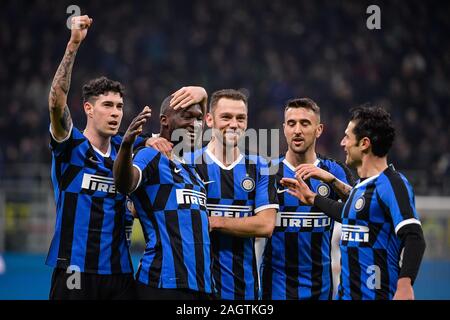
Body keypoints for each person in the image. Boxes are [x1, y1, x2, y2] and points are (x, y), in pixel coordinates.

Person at [46, 15, 150, 300]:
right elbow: (56, 101)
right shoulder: (71, 145)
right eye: (107, 105)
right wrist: (73, 45)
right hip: (75, 271)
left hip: (119, 272)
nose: (116, 112)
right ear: (88, 109)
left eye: (119, 106)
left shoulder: (127, 150)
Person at [281, 106, 426, 300]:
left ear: (364, 143)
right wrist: (313, 198)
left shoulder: (392, 184)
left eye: (347, 137)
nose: (342, 143)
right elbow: (347, 212)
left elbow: (414, 236)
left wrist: (405, 285)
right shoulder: (361, 187)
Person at [153, 88, 279, 299]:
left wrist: (213, 221)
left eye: (240, 118)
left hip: (243, 289)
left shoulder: (261, 166)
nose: (234, 124)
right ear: (209, 120)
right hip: (195, 288)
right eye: (226, 117)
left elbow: (265, 225)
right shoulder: (185, 162)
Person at [113, 91, 213, 300]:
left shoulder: (192, 170)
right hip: (162, 284)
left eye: (198, 118)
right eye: (187, 117)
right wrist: (127, 145)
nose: (195, 124)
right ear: (165, 121)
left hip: (202, 286)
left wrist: (202, 93)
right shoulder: (152, 156)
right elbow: (125, 183)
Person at [260, 98, 355, 300]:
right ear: (284, 128)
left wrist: (332, 181)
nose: (297, 130)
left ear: (319, 129)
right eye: (292, 123)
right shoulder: (267, 172)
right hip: (275, 289)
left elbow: (359, 210)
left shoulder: (334, 171)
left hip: (320, 289)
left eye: (305, 123)